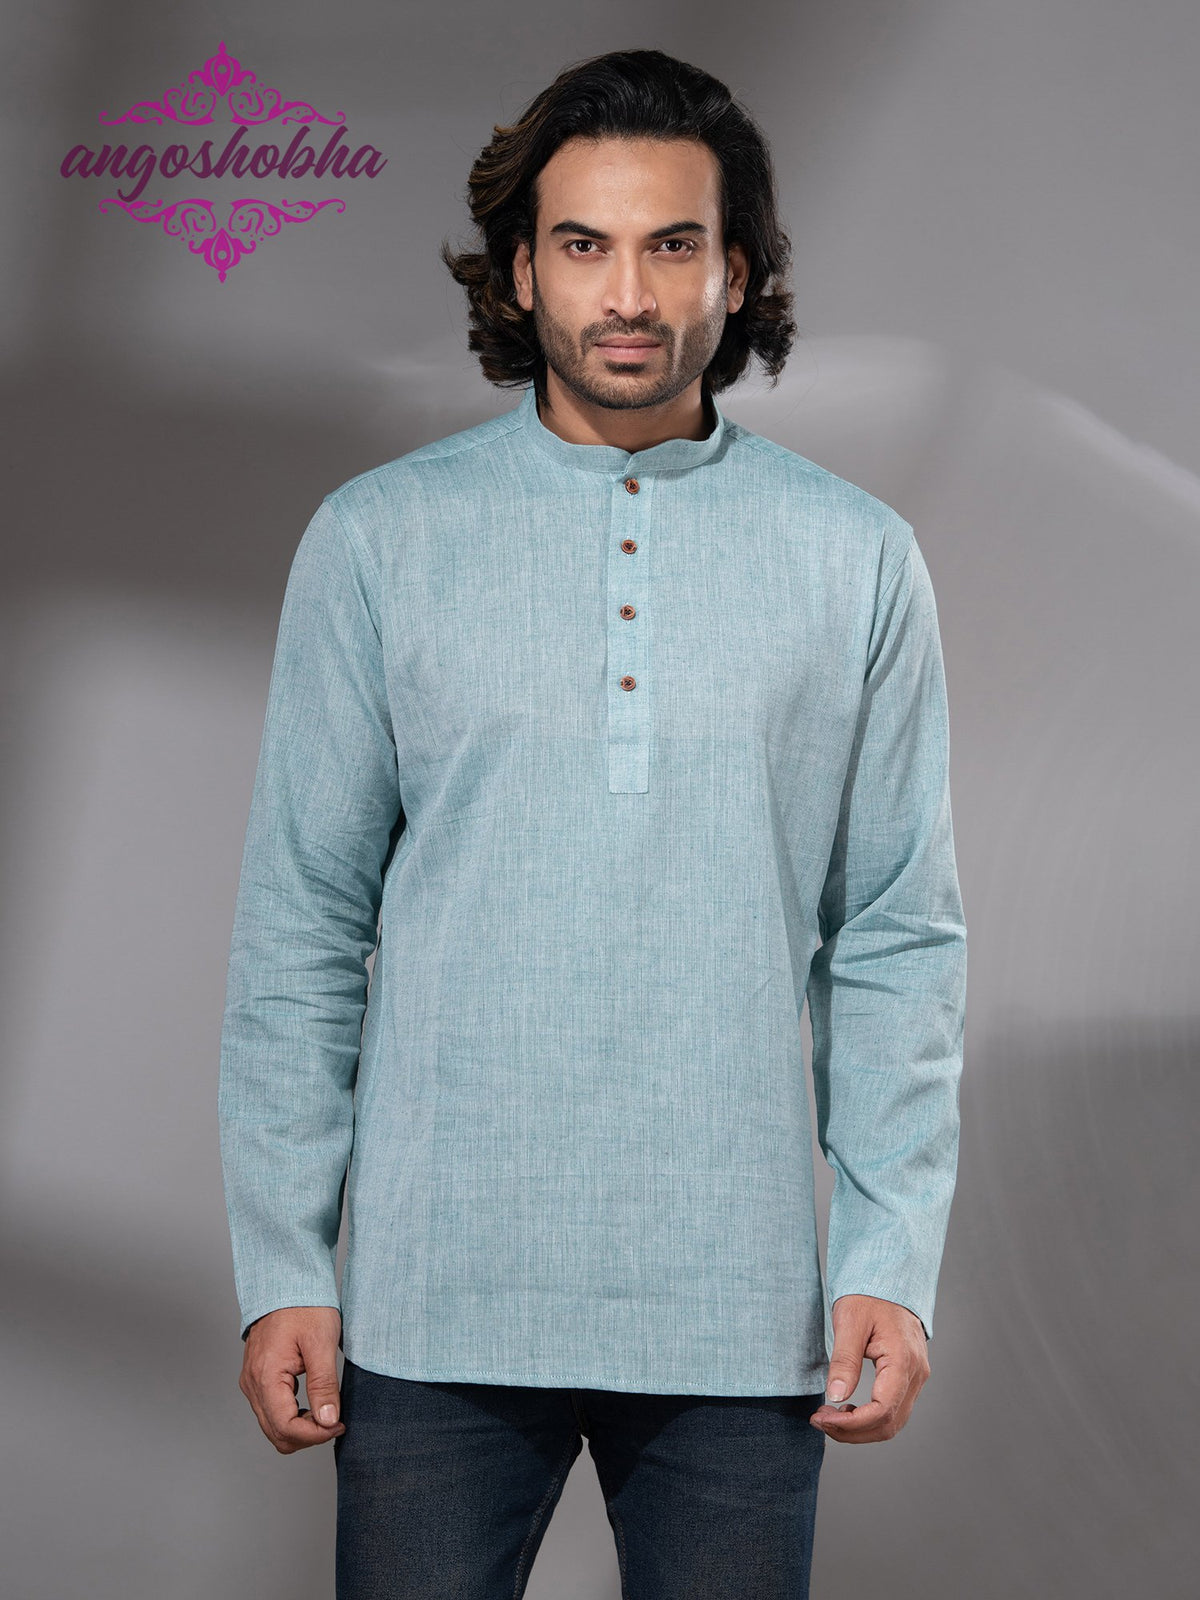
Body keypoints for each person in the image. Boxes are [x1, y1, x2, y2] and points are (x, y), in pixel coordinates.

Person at [218, 46, 967, 1600]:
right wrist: (284, 1260)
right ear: (521, 270)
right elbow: (304, 923)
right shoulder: (381, 543)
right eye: (583, 244)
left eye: (673, 244)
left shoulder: (856, 559)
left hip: (740, 1315)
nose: (627, 293)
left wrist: (891, 1258)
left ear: (738, 271)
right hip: (434, 1305)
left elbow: (899, 934)